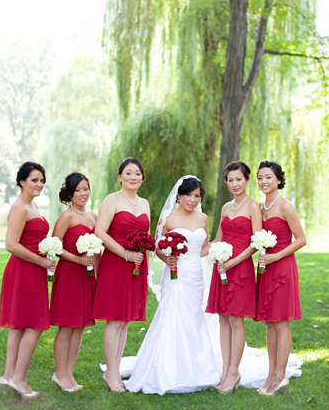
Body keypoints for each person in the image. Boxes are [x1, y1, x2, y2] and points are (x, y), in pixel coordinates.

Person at [124, 176, 220, 394]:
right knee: (172, 314)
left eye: (197, 196)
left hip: (195, 275)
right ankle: (166, 369)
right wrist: (167, 258)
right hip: (175, 274)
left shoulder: (203, 218)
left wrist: (217, 248)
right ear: (178, 195)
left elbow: (202, 248)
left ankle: (197, 368)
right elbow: (158, 247)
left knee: (194, 316)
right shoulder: (168, 217)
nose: (193, 200)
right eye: (188, 195)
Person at [91, 157, 150, 393]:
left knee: (126, 321)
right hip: (116, 263)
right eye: (128, 173)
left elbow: (146, 235)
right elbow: (100, 232)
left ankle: (112, 370)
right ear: (120, 176)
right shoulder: (111, 200)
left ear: (142, 178)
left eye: (137, 173)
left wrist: (145, 260)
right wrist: (125, 254)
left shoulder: (144, 203)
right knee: (115, 320)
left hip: (137, 266)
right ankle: (112, 374)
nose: (133, 177)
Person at [0, 161, 53, 399]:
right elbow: (11, 244)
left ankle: (8, 376)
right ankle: (19, 379)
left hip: (33, 269)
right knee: (35, 324)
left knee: (20, 324)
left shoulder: (32, 205)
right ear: (22, 181)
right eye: (34, 180)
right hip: (25, 270)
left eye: (41, 180)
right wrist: (41, 261)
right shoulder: (20, 207)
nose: (39, 184)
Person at [205, 161, 259, 394]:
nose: (234, 184)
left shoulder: (253, 207)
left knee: (236, 319)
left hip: (240, 267)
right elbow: (218, 239)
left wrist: (234, 261)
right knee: (223, 319)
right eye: (230, 180)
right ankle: (225, 369)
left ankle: (234, 371)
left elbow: (256, 242)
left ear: (247, 180)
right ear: (226, 182)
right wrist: (191, 247)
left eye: (239, 179)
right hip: (222, 267)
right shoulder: (226, 208)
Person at [255, 160, 306, 396]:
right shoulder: (259, 207)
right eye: (260, 177)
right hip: (264, 268)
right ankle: (270, 374)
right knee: (269, 322)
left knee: (281, 321)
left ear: (278, 179)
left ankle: (280, 376)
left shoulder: (285, 205)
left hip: (282, 266)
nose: (263, 182)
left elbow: (301, 239)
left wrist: (276, 258)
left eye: (268, 177)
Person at [49, 172, 99, 393]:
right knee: (66, 326)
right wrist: (78, 259)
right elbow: (54, 247)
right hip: (69, 273)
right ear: (69, 193)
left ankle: (69, 373)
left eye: (85, 188)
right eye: (78, 189)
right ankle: (59, 374)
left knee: (79, 327)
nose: (82, 193)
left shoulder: (93, 217)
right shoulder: (66, 216)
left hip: (87, 277)